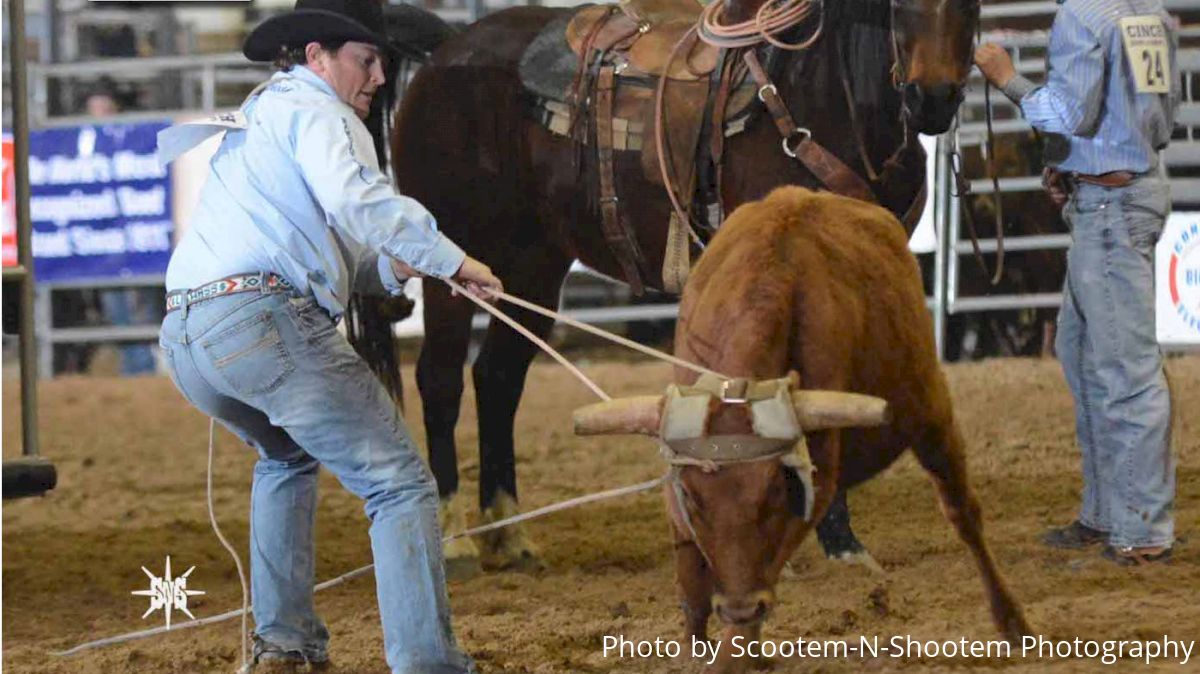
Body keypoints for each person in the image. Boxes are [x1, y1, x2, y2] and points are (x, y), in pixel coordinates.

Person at [157, 0, 499, 670]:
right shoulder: (321, 111)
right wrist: (449, 259)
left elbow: (334, 244)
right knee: (399, 483)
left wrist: (394, 264)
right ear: (318, 57)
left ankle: (284, 645)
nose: (378, 76)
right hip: (262, 324)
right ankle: (427, 662)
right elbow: (358, 203)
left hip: (192, 337)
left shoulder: (264, 111)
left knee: (285, 459)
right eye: (366, 60)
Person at [975, 0, 1178, 566]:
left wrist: (1005, 77)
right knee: (1085, 350)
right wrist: (1082, 162)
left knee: (1122, 370)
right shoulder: (1151, 13)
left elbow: (1065, 114)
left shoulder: (1082, 17)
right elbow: (1162, 114)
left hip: (1111, 206)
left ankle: (1141, 531)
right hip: (1127, 190)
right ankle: (1107, 513)